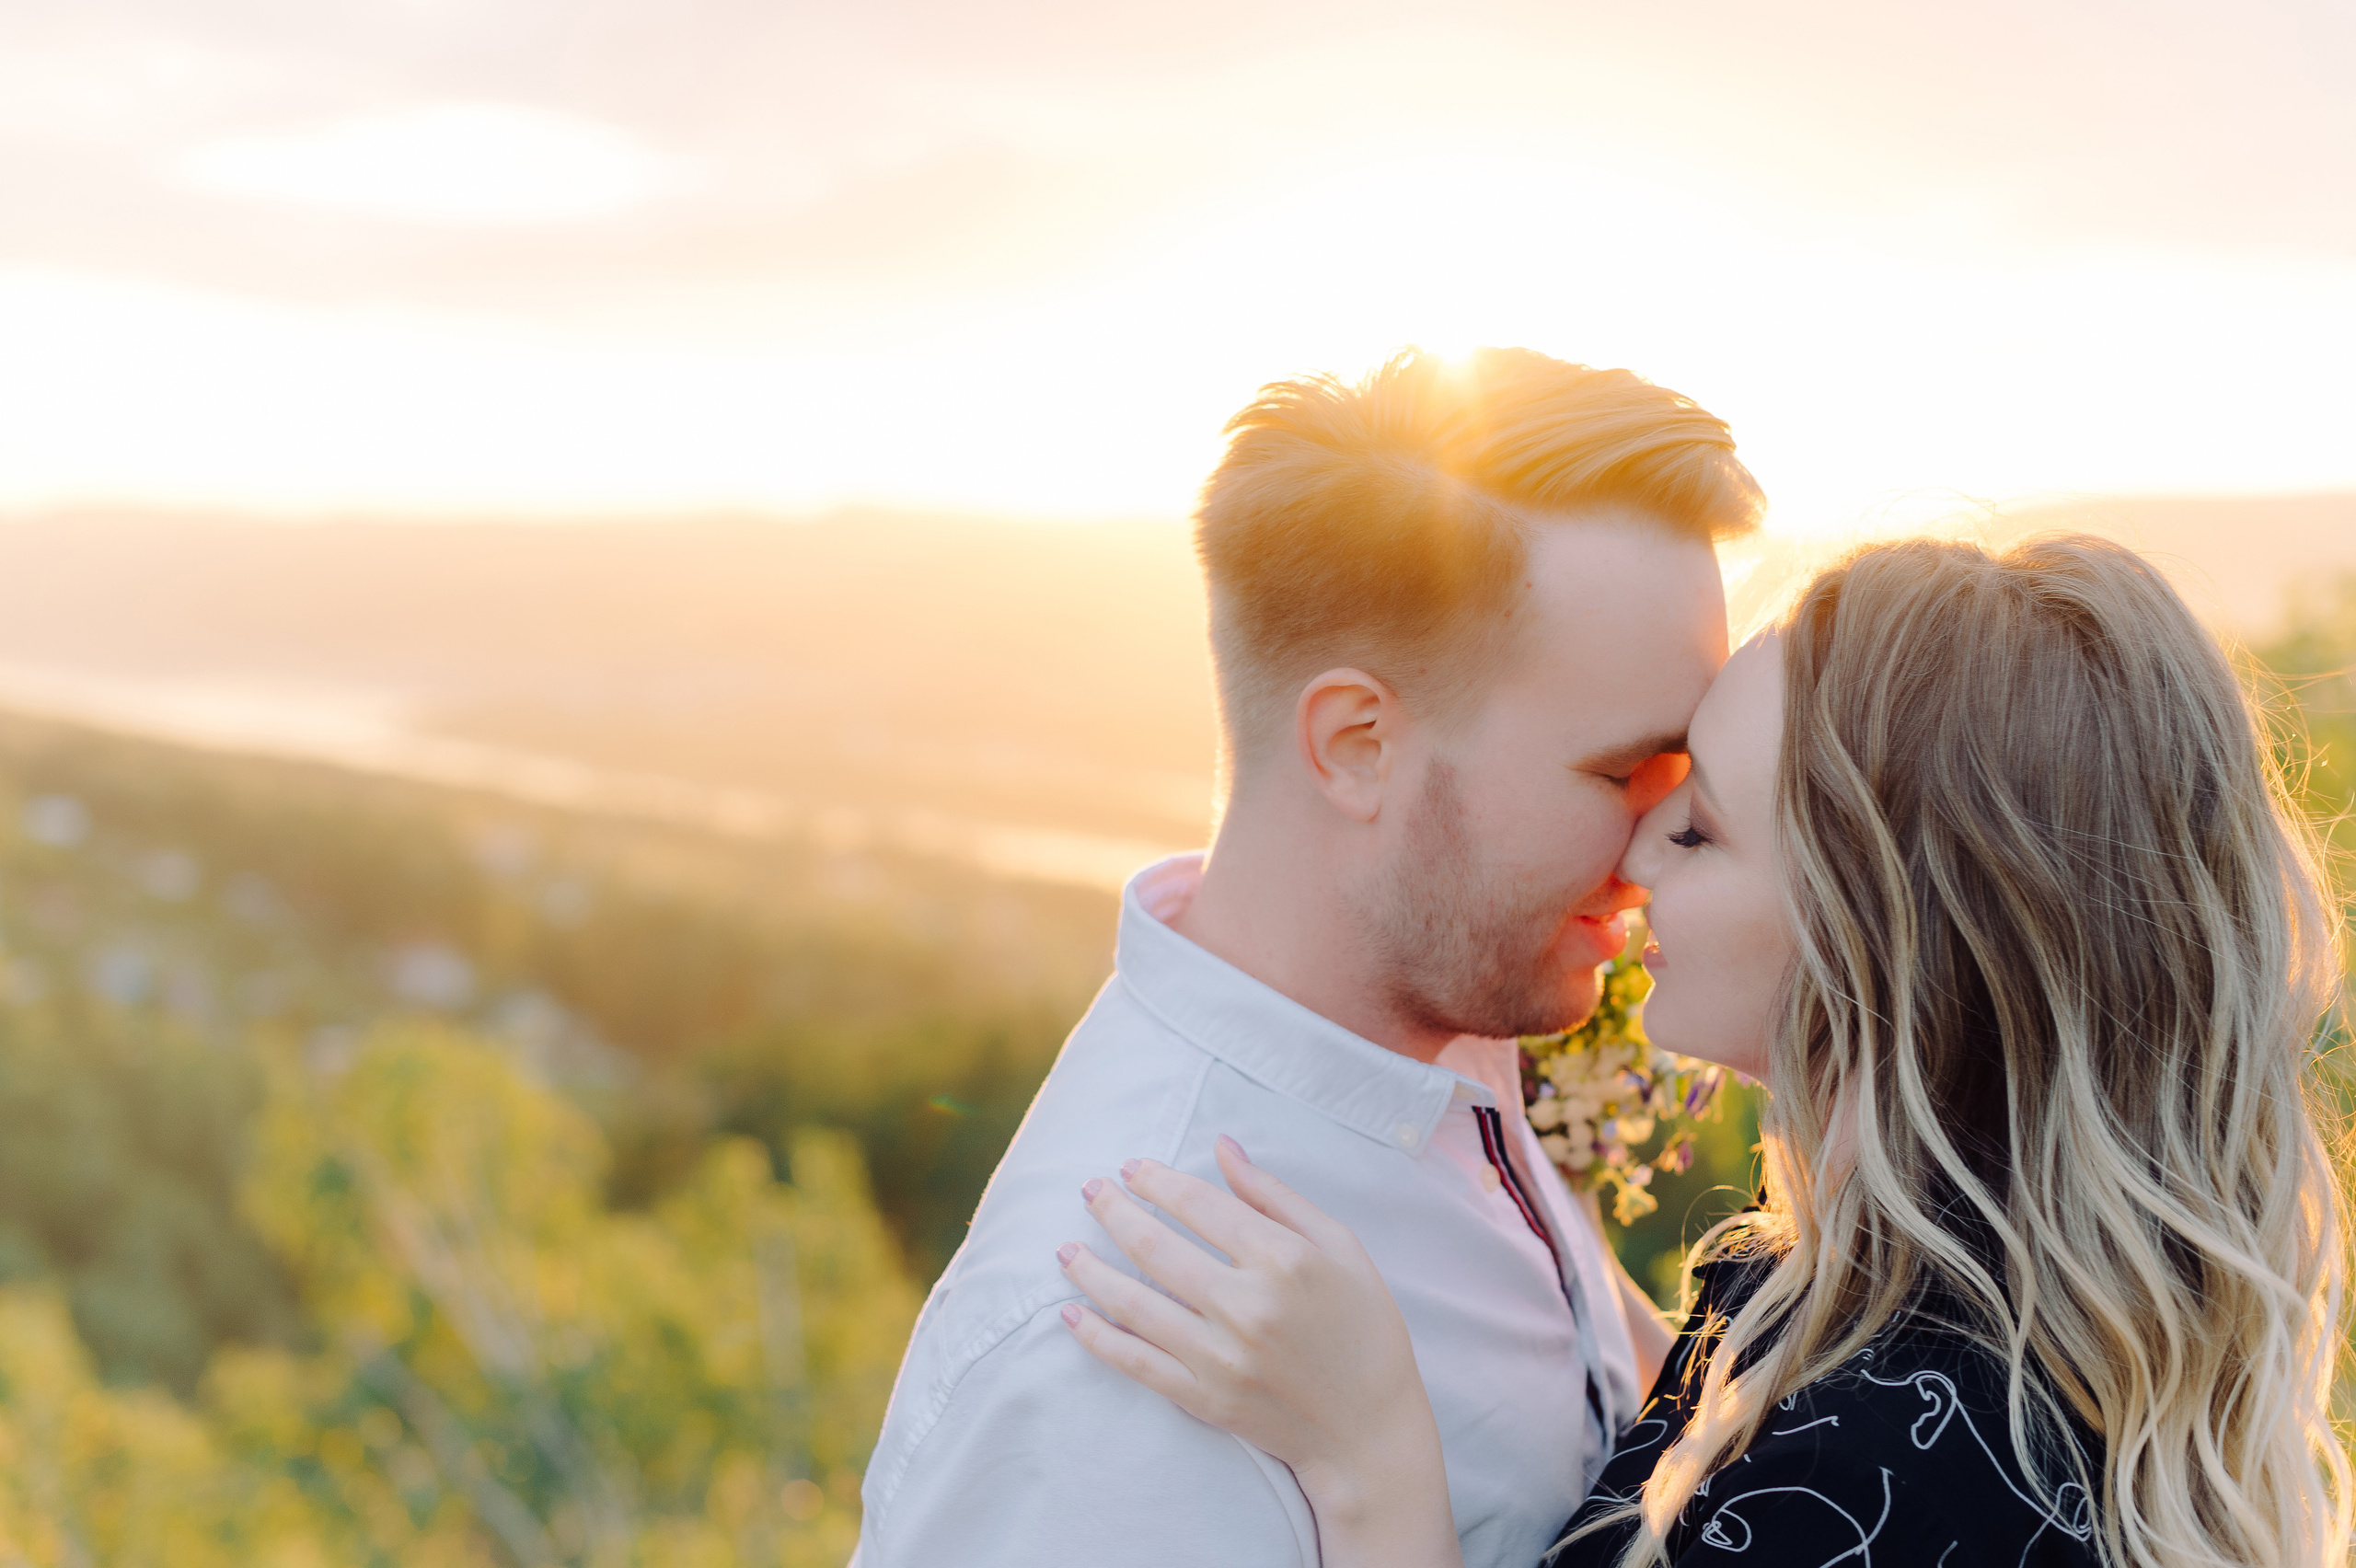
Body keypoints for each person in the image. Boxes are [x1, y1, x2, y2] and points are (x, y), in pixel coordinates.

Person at [1060, 535, 2351, 1568]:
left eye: (1703, 830)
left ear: (1878, 944)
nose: (1631, 853)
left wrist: (1367, 1455)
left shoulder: (1871, 1485)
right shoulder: (1861, 1299)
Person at [849, 348, 1766, 1568]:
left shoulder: (1452, 1039)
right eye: (1617, 772)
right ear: (1357, 744)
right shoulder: (1114, 1363)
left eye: (1686, 770)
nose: (1663, 837)